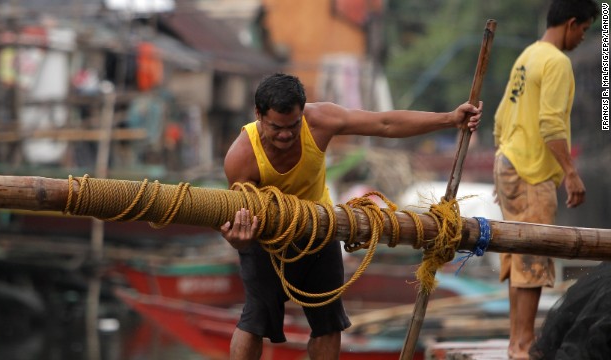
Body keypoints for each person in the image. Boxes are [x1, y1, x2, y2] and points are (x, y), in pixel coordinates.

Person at [220, 72, 482, 360]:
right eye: (276, 127)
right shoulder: (241, 157)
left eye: (293, 126)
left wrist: (449, 119)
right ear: (258, 115)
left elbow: (383, 123)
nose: (285, 134)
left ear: (303, 113)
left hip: (320, 229)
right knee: (255, 320)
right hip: (267, 238)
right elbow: (239, 223)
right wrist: (238, 241)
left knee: (329, 325)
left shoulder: (320, 120)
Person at [492, 1, 598, 359]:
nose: (583, 37)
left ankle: (515, 342)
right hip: (532, 170)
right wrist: (571, 173)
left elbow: (500, 116)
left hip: (510, 162)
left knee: (518, 253)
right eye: (583, 30)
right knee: (534, 257)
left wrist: (502, 165)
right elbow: (551, 124)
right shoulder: (555, 61)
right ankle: (523, 344)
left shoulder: (528, 55)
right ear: (570, 24)